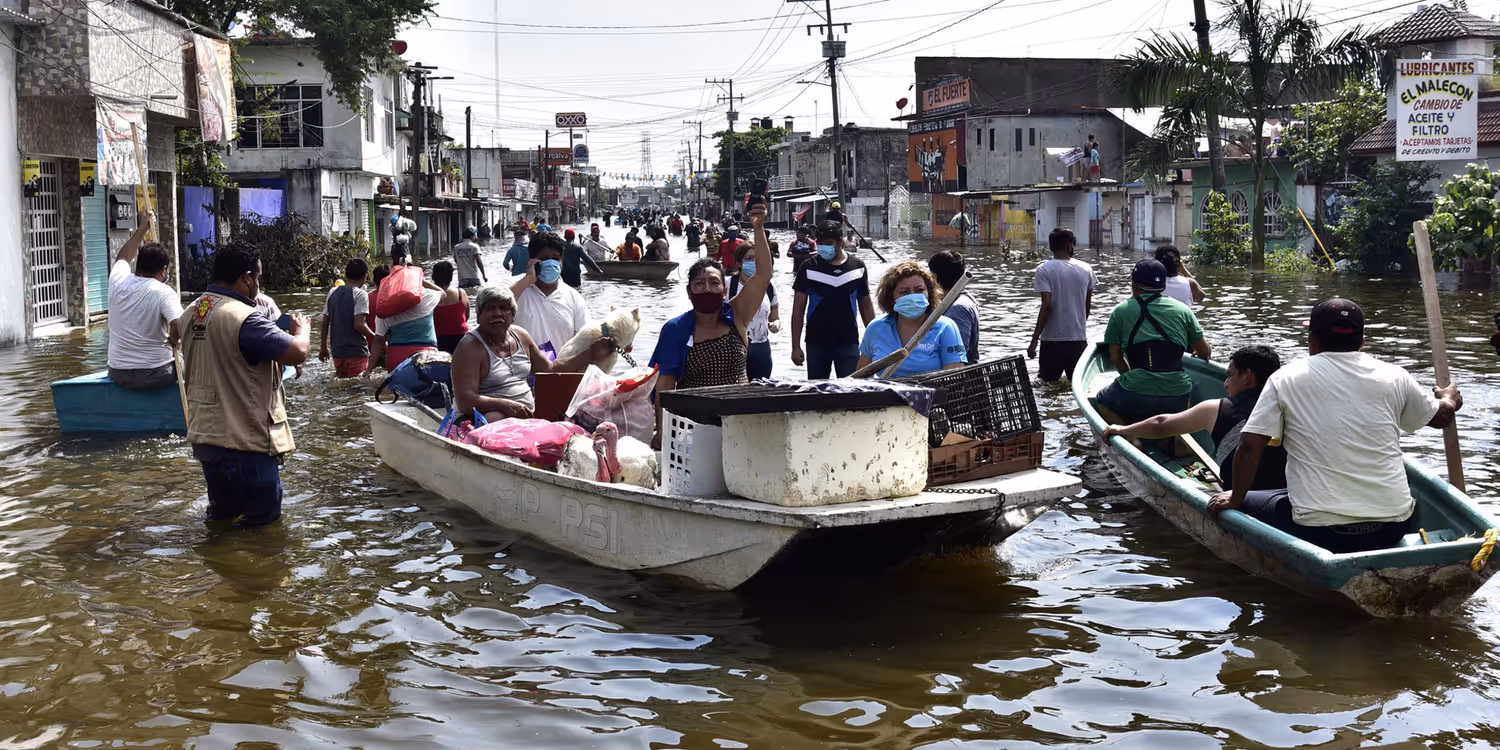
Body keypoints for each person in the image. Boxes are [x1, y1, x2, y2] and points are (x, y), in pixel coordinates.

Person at [1207, 299, 1464, 554]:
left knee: (1237, 498)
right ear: (1362, 341)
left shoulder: (1285, 378)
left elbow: (1250, 447)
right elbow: (1440, 418)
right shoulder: (1395, 375)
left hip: (1320, 531)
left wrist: (1235, 498)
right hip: (1393, 526)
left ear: (1313, 341)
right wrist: (1449, 398)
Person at [178, 241, 310, 527]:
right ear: (246, 277)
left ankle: (221, 568)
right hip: (246, 442)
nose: (258, 285)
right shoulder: (244, 317)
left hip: (207, 439)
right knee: (263, 526)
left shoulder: (191, 312)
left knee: (222, 520)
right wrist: (303, 331)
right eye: (258, 278)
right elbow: (297, 352)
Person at [650, 204, 773, 446]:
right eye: (699, 284)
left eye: (714, 283)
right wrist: (662, 433)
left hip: (739, 422)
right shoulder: (677, 329)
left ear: (725, 290)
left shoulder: (736, 314)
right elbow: (665, 386)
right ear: (689, 292)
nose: (707, 288)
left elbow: (763, 275)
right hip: (692, 427)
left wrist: (758, 228)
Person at [1104, 345, 1288, 491]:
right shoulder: (1289, 407)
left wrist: (1123, 429)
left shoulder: (1217, 409)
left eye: (1230, 375)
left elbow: (1161, 425)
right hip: (1283, 494)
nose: (1225, 384)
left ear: (1247, 377)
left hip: (1241, 498)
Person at [452, 284, 617, 422]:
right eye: (490, 308)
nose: (497, 313)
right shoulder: (470, 347)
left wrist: (590, 353)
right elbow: (465, 400)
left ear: (513, 315)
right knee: (496, 417)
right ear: (479, 315)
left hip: (526, 411)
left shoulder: (520, 336)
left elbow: (549, 369)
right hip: (490, 417)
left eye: (504, 308)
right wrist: (504, 405)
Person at [1098, 258, 1212, 425]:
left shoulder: (1121, 311)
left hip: (1135, 390)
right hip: (1177, 392)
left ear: (1134, 285)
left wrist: (1132, 378)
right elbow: (1205, 351)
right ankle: (1176, 442)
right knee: (1183, 400)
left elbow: (1115, 356)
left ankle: (1130, 437)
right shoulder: (1183, 310)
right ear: (1163, 286)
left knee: (1101, 401)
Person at [107, 210, 184, 390]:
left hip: (117, 372)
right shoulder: (164, 292)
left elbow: (124, 256)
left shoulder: (118, 280)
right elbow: (179, 325)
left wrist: (142, 229)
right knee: (190, 360)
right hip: (156, 373)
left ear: (138, 264)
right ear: (164, 270)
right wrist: (174, 341)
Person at [792, 219, 876, 379]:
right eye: (821, 243)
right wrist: (795, 346)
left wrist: (875, 342)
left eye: (829, 243)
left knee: (851, 391)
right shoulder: (809, 267)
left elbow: (866, 307)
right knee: (817, 392)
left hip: (848, 341)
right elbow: (798, 310)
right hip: (816, 342)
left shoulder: (857, 266)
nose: (824, 247)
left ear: (840, 243)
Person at [855, 262, 967, 378]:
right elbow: (862, 377)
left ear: (928, 293)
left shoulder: (945, 327)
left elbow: (954, 376)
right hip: (888, 394)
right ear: (891, 298)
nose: (913, 296)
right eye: (904, 292)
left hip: (931, 394)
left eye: (919, 290)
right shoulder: (876, 328)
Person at [1028, 228, 1099, 382]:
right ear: (1069, 246)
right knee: (1077, 387)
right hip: (1078, 341)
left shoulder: (1044, 269)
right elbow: (1087, 308)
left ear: (1052, 247)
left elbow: (1046, 305)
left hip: (1052, 343)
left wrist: (1034, 339)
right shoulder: (1086, 269)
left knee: (1048, 388)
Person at [510, 231, 591, 357]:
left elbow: (585, 339)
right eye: (544, 259)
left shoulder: (574, 297)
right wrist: (528, 280)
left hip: (560, 371)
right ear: (531, 261)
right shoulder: (517, 289)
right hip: (521, 372)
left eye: (555, 258)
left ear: (561, 261)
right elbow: (494, 305)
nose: (551, 262)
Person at [374, 266, 461, 371]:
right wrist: (422, 281)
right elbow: (443, 294)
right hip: (426, 356)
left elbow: (379, 340)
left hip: (396, 356)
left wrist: (369, 369)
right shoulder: (426, 297)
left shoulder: (385, 307)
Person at [728, 241, 780, 380]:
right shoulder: (729, 285)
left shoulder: (769, 286)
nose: (753, 262)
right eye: (749, 259)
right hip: (736, 348)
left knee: (761, 392)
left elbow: (775, 314)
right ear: (739, 263)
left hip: (762, 347)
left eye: (756, 259)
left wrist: (776, 324)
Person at [318, 258, 377, 378]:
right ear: (364, 277)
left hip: (337, 353)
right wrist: (378, 339)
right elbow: (359, 324)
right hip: (356, 353)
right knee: (358, 391)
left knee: (341, 390)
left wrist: (323, 347)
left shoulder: (332, 292)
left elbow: (325, 322)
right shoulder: (361, 294)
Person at [929, 250, 980, 365]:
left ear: (934, 277)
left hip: (959, 377)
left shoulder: (958, 309)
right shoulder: (957, 299)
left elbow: (957, 355)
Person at [431, 260, 470, 354]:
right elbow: (466, 316)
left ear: (433, 277)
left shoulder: (429, 296)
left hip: (438, 339)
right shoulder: (461, 293)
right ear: (451, 277)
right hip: (462, 338)